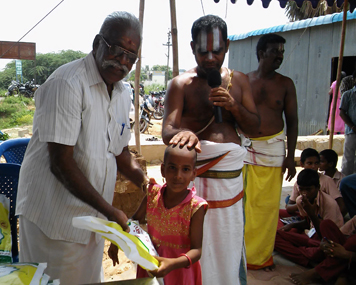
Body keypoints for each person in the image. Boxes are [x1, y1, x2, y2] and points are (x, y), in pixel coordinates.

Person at [15, 11, 148, 285]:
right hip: (54, 220)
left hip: (92, 218)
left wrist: (147, 183)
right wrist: (111, 212)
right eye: (116, 50)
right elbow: (61, 163)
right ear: (97, 43)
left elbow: (120, 151)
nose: (122, 61)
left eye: (130, 57)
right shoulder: (68, 83)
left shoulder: (122, 92)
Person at [162, 14, 260, 285]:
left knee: (226, 242)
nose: (209, 58)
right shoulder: (180, 84)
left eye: (216, 51)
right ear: (192, 48)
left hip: (230, 184)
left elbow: (255, 128)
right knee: (191, 240)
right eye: (202, 51)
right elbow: (167, 131)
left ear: (226, 46)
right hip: (194, 179)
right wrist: (185, 135)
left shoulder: (238, 81)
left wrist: (233, 106)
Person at [110, 145, 208, 285]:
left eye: (185, 169)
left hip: (180, 271)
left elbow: (196, 250)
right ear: (163, 169)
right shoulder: (153, 194)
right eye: (172, 168)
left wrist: (173, 263)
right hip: (151, 264)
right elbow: (134, 221)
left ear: (193, 173)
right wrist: (117, 240)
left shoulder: (195, 207)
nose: (178, 175)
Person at [242, 33, 298, 270]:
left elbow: (293, 121)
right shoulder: (244, 80)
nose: (280, 56)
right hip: (245, 149)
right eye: (275, 51)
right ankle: (241, 254)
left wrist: (290, 157)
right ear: (262, 52)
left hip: (274, 150)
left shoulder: (286, 84)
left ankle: (261, 257)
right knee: (243, 205)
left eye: (282, 52)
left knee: (267, 208)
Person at [275, 169, 344, 267]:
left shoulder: (329, 204)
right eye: (301, 189)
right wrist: (292, 225)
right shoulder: (301, 200)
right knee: (275, 236)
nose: (304, 193)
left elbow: (327, 237)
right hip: (311, 236)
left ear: (318, 188)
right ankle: (306, 258)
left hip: (328, 240)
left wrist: (312, 214)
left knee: (321, 250)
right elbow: (308, 222)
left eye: (308, 189)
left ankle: (304, 255)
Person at [290, 217, 356, 284]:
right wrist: (325, 243)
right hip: (347, 258)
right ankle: (340, 272)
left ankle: (318, 272)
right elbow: (344, 234)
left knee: (353, 241)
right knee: (326, 224)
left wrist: (347, 254)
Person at [285, 148, 347, 217]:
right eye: (309, 163)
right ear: (302, 164)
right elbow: (289, 207)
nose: (314, 167)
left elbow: (342, 207)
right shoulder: (299, 182)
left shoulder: (327, 180)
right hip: (305, 217)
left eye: (316, 163)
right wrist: (300, 204)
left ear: (318, 187)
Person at [340, 77, 356, 176]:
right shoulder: (348, 94)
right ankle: (345, 181)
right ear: (354, 79)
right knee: (348, 157)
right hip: (351, 131)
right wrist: (353, 126)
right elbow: (342, 113)